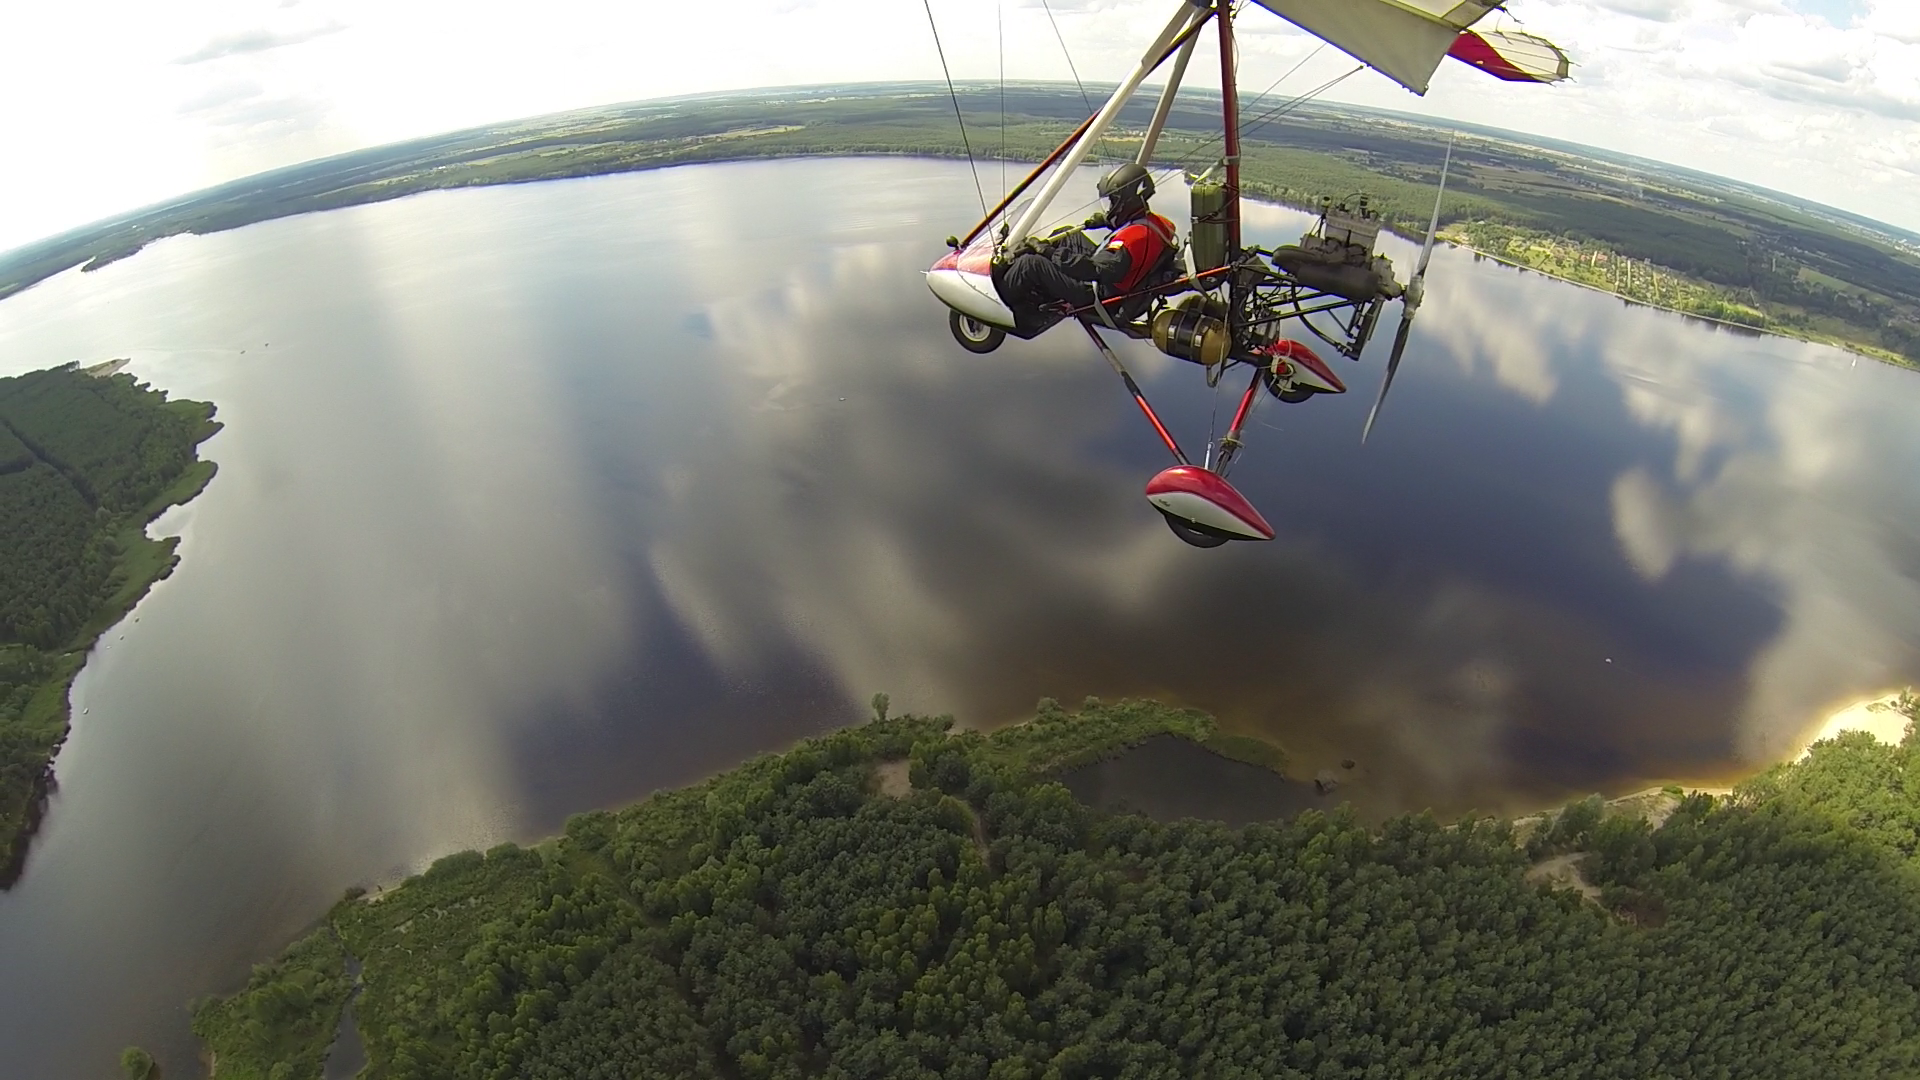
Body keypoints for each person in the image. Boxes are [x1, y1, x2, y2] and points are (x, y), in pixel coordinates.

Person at [1000, 162, 1178, 331]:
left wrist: (1048, 252)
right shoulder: (1157, 224)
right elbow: (1131, 228)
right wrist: (1106, 221)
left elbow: (1094, 269)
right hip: (1116, 280)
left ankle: (1002, 298)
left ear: (1127, 201)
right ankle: (1044, 288)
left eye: (1113, 201)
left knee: (1031, 264)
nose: (1110, 207)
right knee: (1067, 233)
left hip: (1098, 297)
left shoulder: (1132, 241)